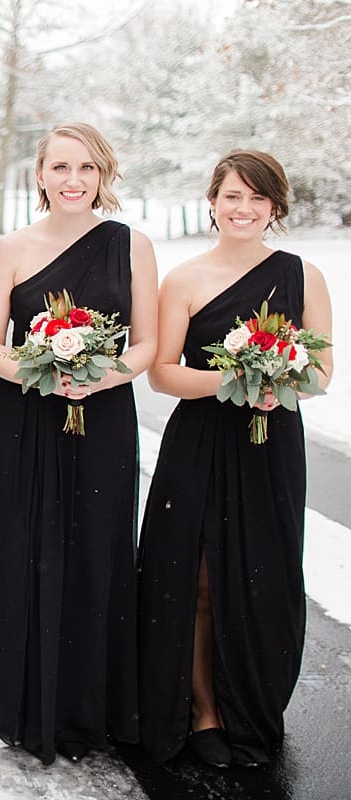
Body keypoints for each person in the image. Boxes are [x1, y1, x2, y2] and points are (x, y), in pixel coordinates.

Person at [138, 150, 334, 768]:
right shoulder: (185, 278)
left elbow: (321, 372)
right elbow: (164, 374)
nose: (243, 209)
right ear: (212, 202)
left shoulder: (304, 274)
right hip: (199, 442)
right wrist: (232, 380)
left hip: (271, 445)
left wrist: (279, 382)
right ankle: (202, 714)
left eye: (257, 198)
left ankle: (252, 704)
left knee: (263, 577)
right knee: (194, 580)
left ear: (274, 207)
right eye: (232, 197)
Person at [0, 123, 158, 764]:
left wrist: (103, 376)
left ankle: (91, 709)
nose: (72, 180)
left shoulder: (132, 245)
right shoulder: (14, 248)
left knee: (94, 550)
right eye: (60, 168)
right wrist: (42, 372)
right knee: (25, 547)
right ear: (40, 175)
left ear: (103, 175)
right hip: (26, 418)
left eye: (85, 168)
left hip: (104, 417)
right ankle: (25, 708)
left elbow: (147, 345)